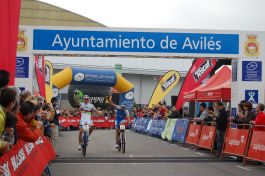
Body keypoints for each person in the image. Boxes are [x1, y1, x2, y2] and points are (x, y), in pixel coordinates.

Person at [0, 88, 17, 152]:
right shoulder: (0, 116)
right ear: (11, 103)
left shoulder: (3, 113)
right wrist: (4, 144)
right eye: (14, 102)